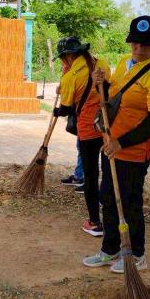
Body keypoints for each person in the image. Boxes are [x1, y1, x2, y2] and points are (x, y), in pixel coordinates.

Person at [83, 16, 150, 273]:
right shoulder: (124, 63)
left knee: (130, 202)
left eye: (146, 44)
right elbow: (113, 96)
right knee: (109, 198)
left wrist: (122, 142)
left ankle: (136, 255)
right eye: (135, 43)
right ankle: (110, 249)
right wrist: (101, 82)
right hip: (110, 144)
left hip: (133, 150)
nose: (139, 49)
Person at [53, 37, 111, 236]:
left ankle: (94, 221)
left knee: (91, 176)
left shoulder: (71, 76)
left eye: (62, 58)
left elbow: (66, 108)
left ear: (68, 56)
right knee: (108, 173)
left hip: (88, 129)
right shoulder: (102, 64)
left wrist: (57, 110)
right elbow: (109, 91)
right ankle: (110, 218)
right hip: (107, 126)